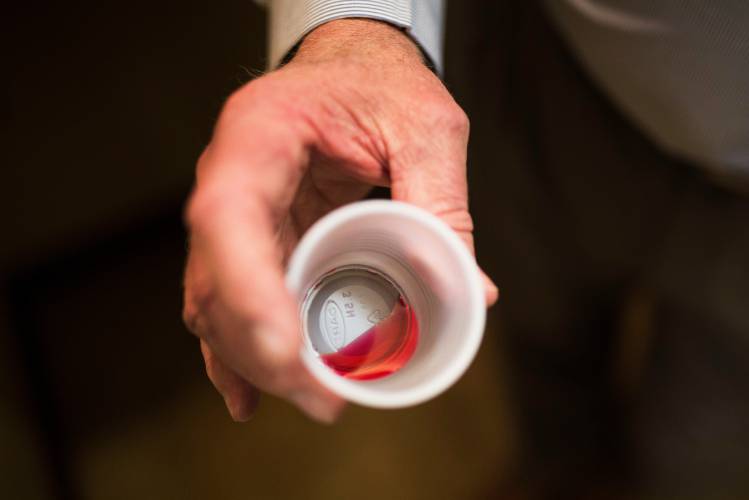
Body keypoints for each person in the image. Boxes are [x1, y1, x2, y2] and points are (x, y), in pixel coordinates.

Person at [183, 1, 749, 498]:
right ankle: (562, 477)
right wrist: (354, 26)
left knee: (699, 450)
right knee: (538, 330)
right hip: (558, 70)